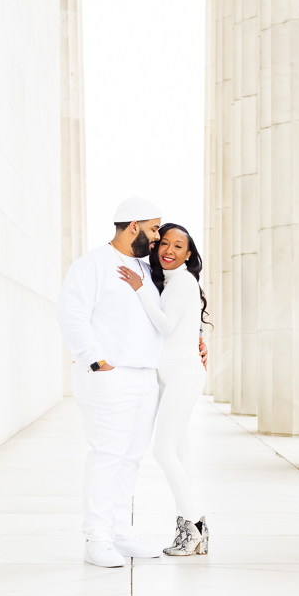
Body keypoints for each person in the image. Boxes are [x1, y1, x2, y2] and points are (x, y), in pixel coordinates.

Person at [55, 198, 207, 568]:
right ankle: (97, 538)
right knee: (107, 455)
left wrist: (197, 339)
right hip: (108, 375)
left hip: (146, 378)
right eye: (155, 229)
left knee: (131, 458)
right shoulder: (92, 264)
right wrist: (95, 358)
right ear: (134, 226)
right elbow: (71, 312)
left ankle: (121, 532)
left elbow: (172, 312)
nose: (158, 239)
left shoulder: (146, 268)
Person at [117, 223, 210, 556]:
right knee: (180, 454)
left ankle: (193, 529)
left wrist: (140, 288)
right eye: (164, 243)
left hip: (183, 374)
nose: (169, 250)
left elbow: (167, 324)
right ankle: (199, 530)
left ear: (189, 254)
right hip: (170, 374)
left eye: (178, 246)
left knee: (163, 451)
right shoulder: (170, 281)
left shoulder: (183, 280)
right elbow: (184, 328)